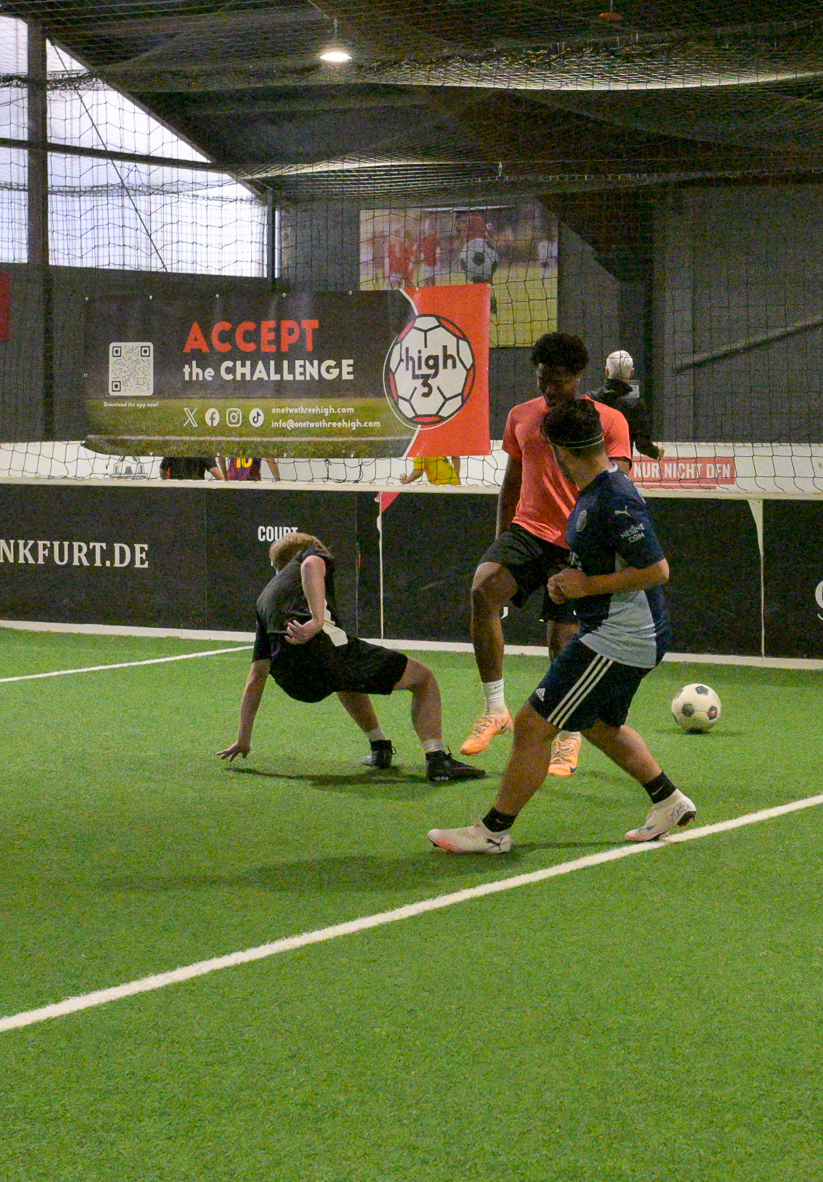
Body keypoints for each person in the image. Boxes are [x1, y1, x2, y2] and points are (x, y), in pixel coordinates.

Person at [430, 399, 694, 852]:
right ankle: (668, 801)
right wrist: (567, 583)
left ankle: (493, 832)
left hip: (620, 638)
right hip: (620, 632)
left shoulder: (614, 499)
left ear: (560, 452)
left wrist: (586, 586)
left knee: (533, 725)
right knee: (598, 725)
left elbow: (657, 570)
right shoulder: (595, 490)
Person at [463, 333, 634, 779]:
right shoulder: (521, 416)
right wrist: (501, 538)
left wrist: (605, 550)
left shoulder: (610, 421)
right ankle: (495, 709)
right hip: (528, 531)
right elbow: (512, 479)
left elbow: (618, 487)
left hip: (579, 541)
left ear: (578, 377)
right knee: (483, 588)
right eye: (542, 380)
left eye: (557, 381)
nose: (548, 389)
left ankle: (568, 736)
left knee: (563, 642)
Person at [218, 532, 485, 784]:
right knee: (423, 678)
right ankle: (437, 759)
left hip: (296, 683)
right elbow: (311, 564)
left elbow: (256, 676)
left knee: (346, 678)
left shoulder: (263, 600)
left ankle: (379, 746)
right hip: (327, 654)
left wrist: (243, 738)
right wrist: (317, 619)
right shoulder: (309, 555)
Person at [593, 349, 664, 461]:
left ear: (606, 371)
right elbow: (642, 445)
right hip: (619, 464)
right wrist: (656, 451)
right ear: (631, 372)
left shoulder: (591, 399)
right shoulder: (635, 405)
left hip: (592, 463)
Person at [213, 456, 280, 482]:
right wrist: (277, 478)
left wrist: (225, 476)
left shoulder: (233, 439)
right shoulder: (257, 440)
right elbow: (269, 458)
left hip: (233, 480)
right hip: (253, 481)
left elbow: (220, 456)